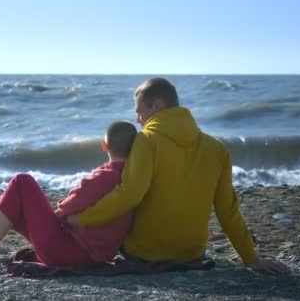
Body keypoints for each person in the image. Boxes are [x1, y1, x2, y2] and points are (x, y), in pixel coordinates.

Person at [68, 78, 288, 274]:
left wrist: (81, 219)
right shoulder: (217, 148)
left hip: (145, 253)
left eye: (140, 111)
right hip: (192, 254)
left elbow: (130, 195)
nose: (137, 119)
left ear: (157, 105)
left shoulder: (147, 140)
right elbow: (227, 210)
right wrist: (251, 259)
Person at [0, 120, 137, 274]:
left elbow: (64, 209)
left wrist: (58, 212)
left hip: (68, 252)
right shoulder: (132, 181)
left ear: (104, 145)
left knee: (21, 181)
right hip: (89, 255)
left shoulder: (104, 176)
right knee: (10, 202)